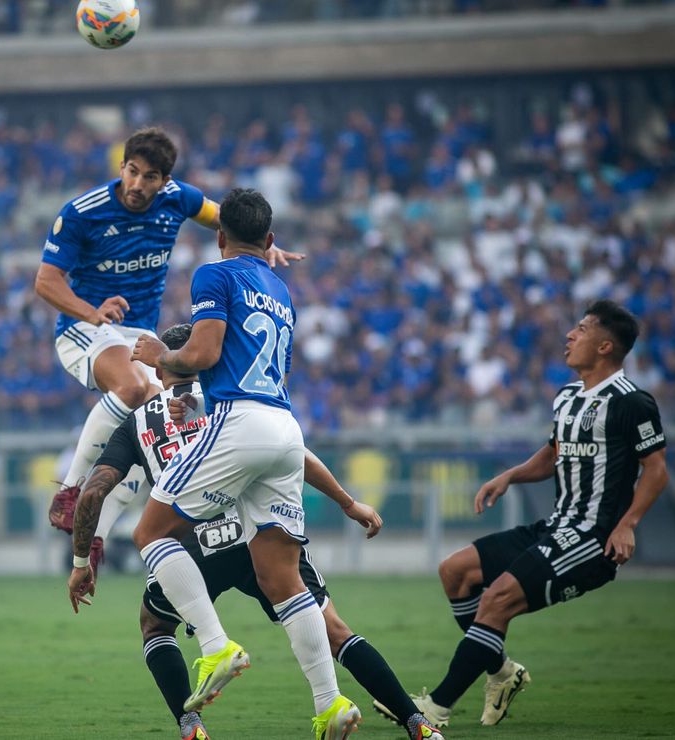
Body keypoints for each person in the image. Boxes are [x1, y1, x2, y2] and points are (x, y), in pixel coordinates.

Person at [67, 323, 445, 740]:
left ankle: (192, 725)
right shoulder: (233, 401)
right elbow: (295, 454)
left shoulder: (138, 423)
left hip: (189, 548)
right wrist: (348, 503)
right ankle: (417, 724)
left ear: (159, 370)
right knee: (334, 631)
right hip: (257, 534)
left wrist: (81, 560)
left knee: (155, 627)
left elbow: (93, 492)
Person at [124, 189, 370, 739]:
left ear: (219, 237)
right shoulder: (280, 289)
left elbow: (203, 355)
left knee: (150, 532)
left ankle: (215, 646)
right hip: (285, 428)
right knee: (282, 577)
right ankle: (330, 703)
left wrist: (158, 356)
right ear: (271, 240)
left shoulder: (214, 275)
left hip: (241, 422)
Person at [380, 300, 668, 728]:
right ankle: (502, 673)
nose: (570, 335)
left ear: (605, 346)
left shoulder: (632, 402)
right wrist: (511, 476)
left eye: (582, 329)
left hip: (592, 538)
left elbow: (656, 470)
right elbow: (554, 454)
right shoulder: (568, 397)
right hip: (554, 526)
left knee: (496, 600)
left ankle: (434, 708)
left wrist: (627, 524)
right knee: (455, 572)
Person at [34, 128, 302, 543]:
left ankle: (96, 534)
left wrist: (261, 246)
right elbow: (46, 282)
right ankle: (69, 492)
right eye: (132, 171)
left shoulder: (179, 198)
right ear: (121, 167)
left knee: (153, 427)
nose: (138, 184)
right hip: (85, 327)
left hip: (138, 331)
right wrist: (92, 312)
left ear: (165, 181)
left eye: (150, 177)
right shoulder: (83, 213)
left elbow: (226, 221)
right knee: (132, 387)